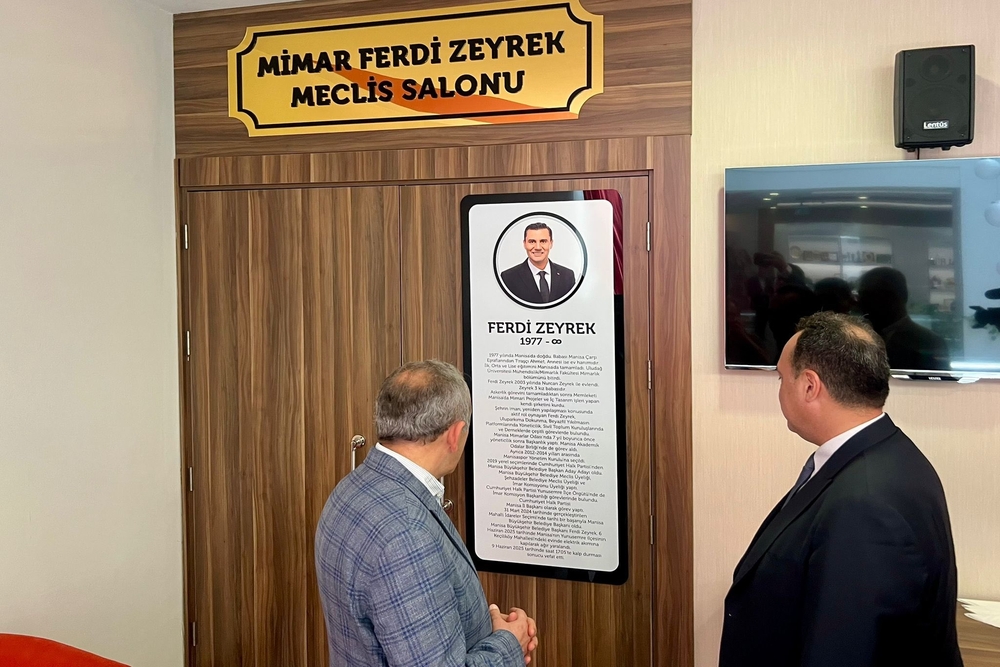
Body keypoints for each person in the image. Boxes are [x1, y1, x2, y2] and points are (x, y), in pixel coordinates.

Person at [720, 312, 962, 667]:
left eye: (782, 378)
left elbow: (844, 647)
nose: (780, 389)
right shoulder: (890, 452)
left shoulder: (864, 504)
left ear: (809, 386)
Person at [315, 360, 538, 667]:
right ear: (455, 434)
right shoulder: (406, 534)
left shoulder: (349, 490)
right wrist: (509, 644)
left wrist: (484, 630)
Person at [858, 267, 950, 371]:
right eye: (862, 296)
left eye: (869, 295)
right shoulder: (859, 335)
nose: (861, 302)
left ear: (894, 297)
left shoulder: (929, 341)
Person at [500, 222, 576, 304]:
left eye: (543, 241)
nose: (538, 247)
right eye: (532, 241)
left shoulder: (567, 276)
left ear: (551, 243)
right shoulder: (508, 278)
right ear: (524, 244)